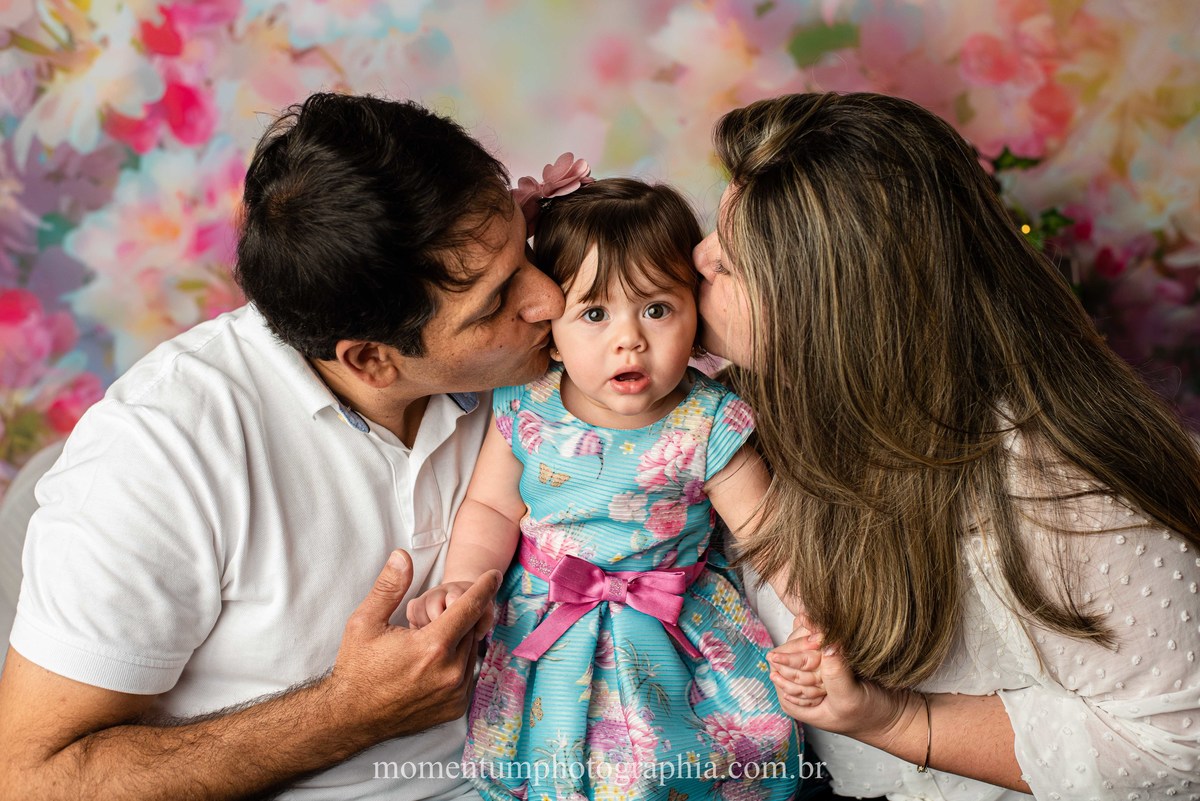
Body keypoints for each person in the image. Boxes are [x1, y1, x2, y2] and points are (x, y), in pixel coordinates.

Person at [0, 92, 567, 800]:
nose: (550, 300)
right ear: (371, 360)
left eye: (524, 247)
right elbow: (33, 779)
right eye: (497, 301)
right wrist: (348, 713)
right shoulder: (159, 451)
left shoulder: (544, 356)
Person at [691, 91, 1200, 801]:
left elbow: (1178, 748)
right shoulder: (743, 406)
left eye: (731, 265)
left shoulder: (1057, 480)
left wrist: (897, 719)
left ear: (836, 316)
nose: (698, 256)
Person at [407, 169, 800, 799]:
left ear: (694, 312)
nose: (630, 340)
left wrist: (813, 622)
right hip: (549, 622)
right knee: (549, 766)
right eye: (594, 313)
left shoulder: (707, 421)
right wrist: (464, 584)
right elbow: (491, 507)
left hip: (677, 628)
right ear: (553, 332)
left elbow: (771, 535)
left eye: (657, 309)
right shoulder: (527, 404)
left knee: (694, 767)